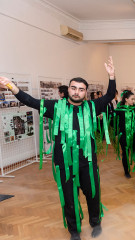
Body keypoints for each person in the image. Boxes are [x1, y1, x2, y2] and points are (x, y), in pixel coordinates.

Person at [0, 56, 116, 240]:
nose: (76, 92)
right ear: (68, 89)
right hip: (64, 163)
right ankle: (74, 231)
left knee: (92, 194)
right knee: (69, 199)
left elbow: (110, 96)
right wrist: (11, 86)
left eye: (81, 89)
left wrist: (111, 76)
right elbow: (31, 101)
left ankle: (95, 222)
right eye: (73, 88)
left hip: (88, 161)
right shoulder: (56, 107)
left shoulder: (93, 106)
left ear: (86, 92)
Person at [114, 90, 135, 179]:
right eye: (132, 99)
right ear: (126, 99)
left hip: (134, 135)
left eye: (134, 99)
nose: (134, 101)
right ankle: (126, 171)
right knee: (125, 153)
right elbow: (113, 121)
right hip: (123, 136)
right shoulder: (119, 110)